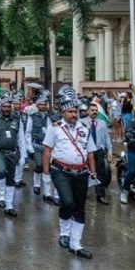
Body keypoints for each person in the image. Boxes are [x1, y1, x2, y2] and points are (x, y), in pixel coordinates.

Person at [42, 88, 97, 259]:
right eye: (70, 111)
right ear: (63, 112)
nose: (74, 114)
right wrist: (45, 175)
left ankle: (76, 244)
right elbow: (46, 151)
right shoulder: (55, 128)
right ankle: (64, 232)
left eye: (76, 111)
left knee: (80, 208)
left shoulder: (85, 128)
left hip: (81, 172)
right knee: (67, 202)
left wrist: (93, 172)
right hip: (61, 171)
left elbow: (90, 153)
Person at [0, 96, 26, 217]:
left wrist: (23, 156)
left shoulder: (17, 120)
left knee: (11, 179)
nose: (7, 109)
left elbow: (21, 139)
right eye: (4, 106)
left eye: (8, 107)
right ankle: (1, 197)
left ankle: (9, 205)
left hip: (12, 152)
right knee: (1, 171)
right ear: (0, 107)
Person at [23, 97, 58, 204]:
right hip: (37, 145)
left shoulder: (50, 117)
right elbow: (28, 133)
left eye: (44, 104)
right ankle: (37, 184)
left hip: (47, 146)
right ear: (37, 106)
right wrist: (30, 147)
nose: (43, 106)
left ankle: (47, 192)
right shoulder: (32, 117)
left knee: (47, 168)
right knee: (38, 165)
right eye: (41, 104)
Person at [82, 103, 113, 205]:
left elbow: (107, 138)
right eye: (92, 110)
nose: (94, 112)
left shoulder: (102, 123)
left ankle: (100, 195)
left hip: (99, 150)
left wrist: (110, 151)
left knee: (101, 173)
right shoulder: (81, 123)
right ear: (88, 111)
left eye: (96, 110)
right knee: (84, 172)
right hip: (85, 151)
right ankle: (82, 192)